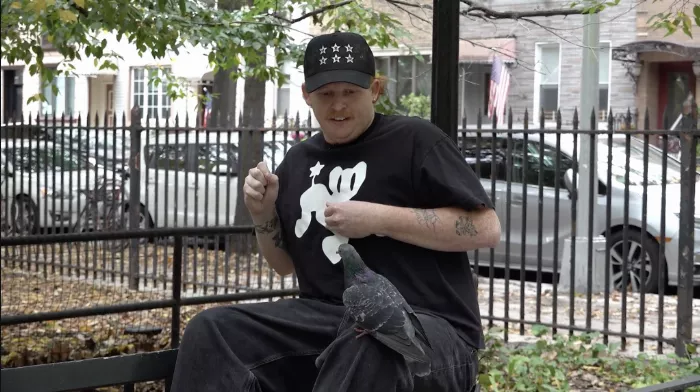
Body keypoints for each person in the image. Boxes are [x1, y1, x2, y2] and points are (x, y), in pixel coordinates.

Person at [169, 31, 501, 392]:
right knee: (212, 330)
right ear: (307, 96)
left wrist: (378, 219)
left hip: (428, 328)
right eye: (326, 94)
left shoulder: (415, 141)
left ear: (374, 90)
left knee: (371, 343)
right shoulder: (298, 163)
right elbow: (283, 265)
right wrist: (263, 213)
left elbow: (486, 228)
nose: (338, 105)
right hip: (328, 320)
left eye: (350, 93)